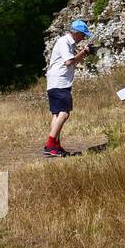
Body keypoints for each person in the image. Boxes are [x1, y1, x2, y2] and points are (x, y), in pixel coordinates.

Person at [44, 19, 92, 157]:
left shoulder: (66, 43)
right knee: (64, 113)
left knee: (56, 114)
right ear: (75, 33)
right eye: (83, 35)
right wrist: (84, 52)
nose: (83, 38)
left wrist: (83, 52)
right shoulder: (64, 42)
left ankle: (56, 146)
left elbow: (71, 61)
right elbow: (69, 62)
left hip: (54, 81)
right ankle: (49, 144)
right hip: (60, 82)